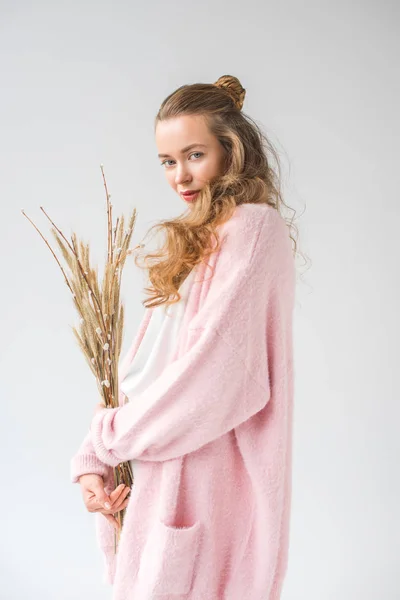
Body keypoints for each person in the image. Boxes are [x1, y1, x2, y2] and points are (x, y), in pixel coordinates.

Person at [70, 74, 299, 600]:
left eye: (194, 154)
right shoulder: (199, 236)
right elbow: (146, 368)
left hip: (202, 478)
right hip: (153, 469)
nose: (180, 175)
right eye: (168, 161)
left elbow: (215, 378)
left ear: (231, 150)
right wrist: (94, 458)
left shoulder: (252, 229)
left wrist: (110, 438)